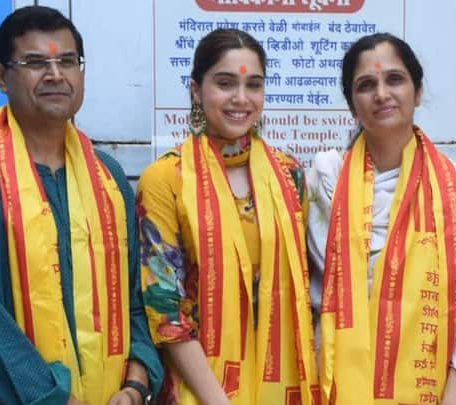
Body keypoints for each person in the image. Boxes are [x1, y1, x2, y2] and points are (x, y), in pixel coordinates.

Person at [0, 6, 162, 405]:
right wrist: (53, 398)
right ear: (1, 76)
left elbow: (136, 300)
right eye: (35, 62)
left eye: (67, 61)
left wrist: (136, 385)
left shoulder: (109, 178)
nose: (55, 74)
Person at [306, 33, 456, 404]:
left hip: (438, 385)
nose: (382, 94)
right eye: (366, 85)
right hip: (338, 383)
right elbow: (318, 298)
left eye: (394, 79)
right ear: (351, 104)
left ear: (418, 91)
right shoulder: (326, 180)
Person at [137, 28, 319, 404]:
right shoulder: (166, 179)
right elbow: (165, 310)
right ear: (195, 90)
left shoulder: (290, 175)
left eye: (253, 85)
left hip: (281, 388)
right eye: (225, 83)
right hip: (198, 391)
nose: (241, 98)